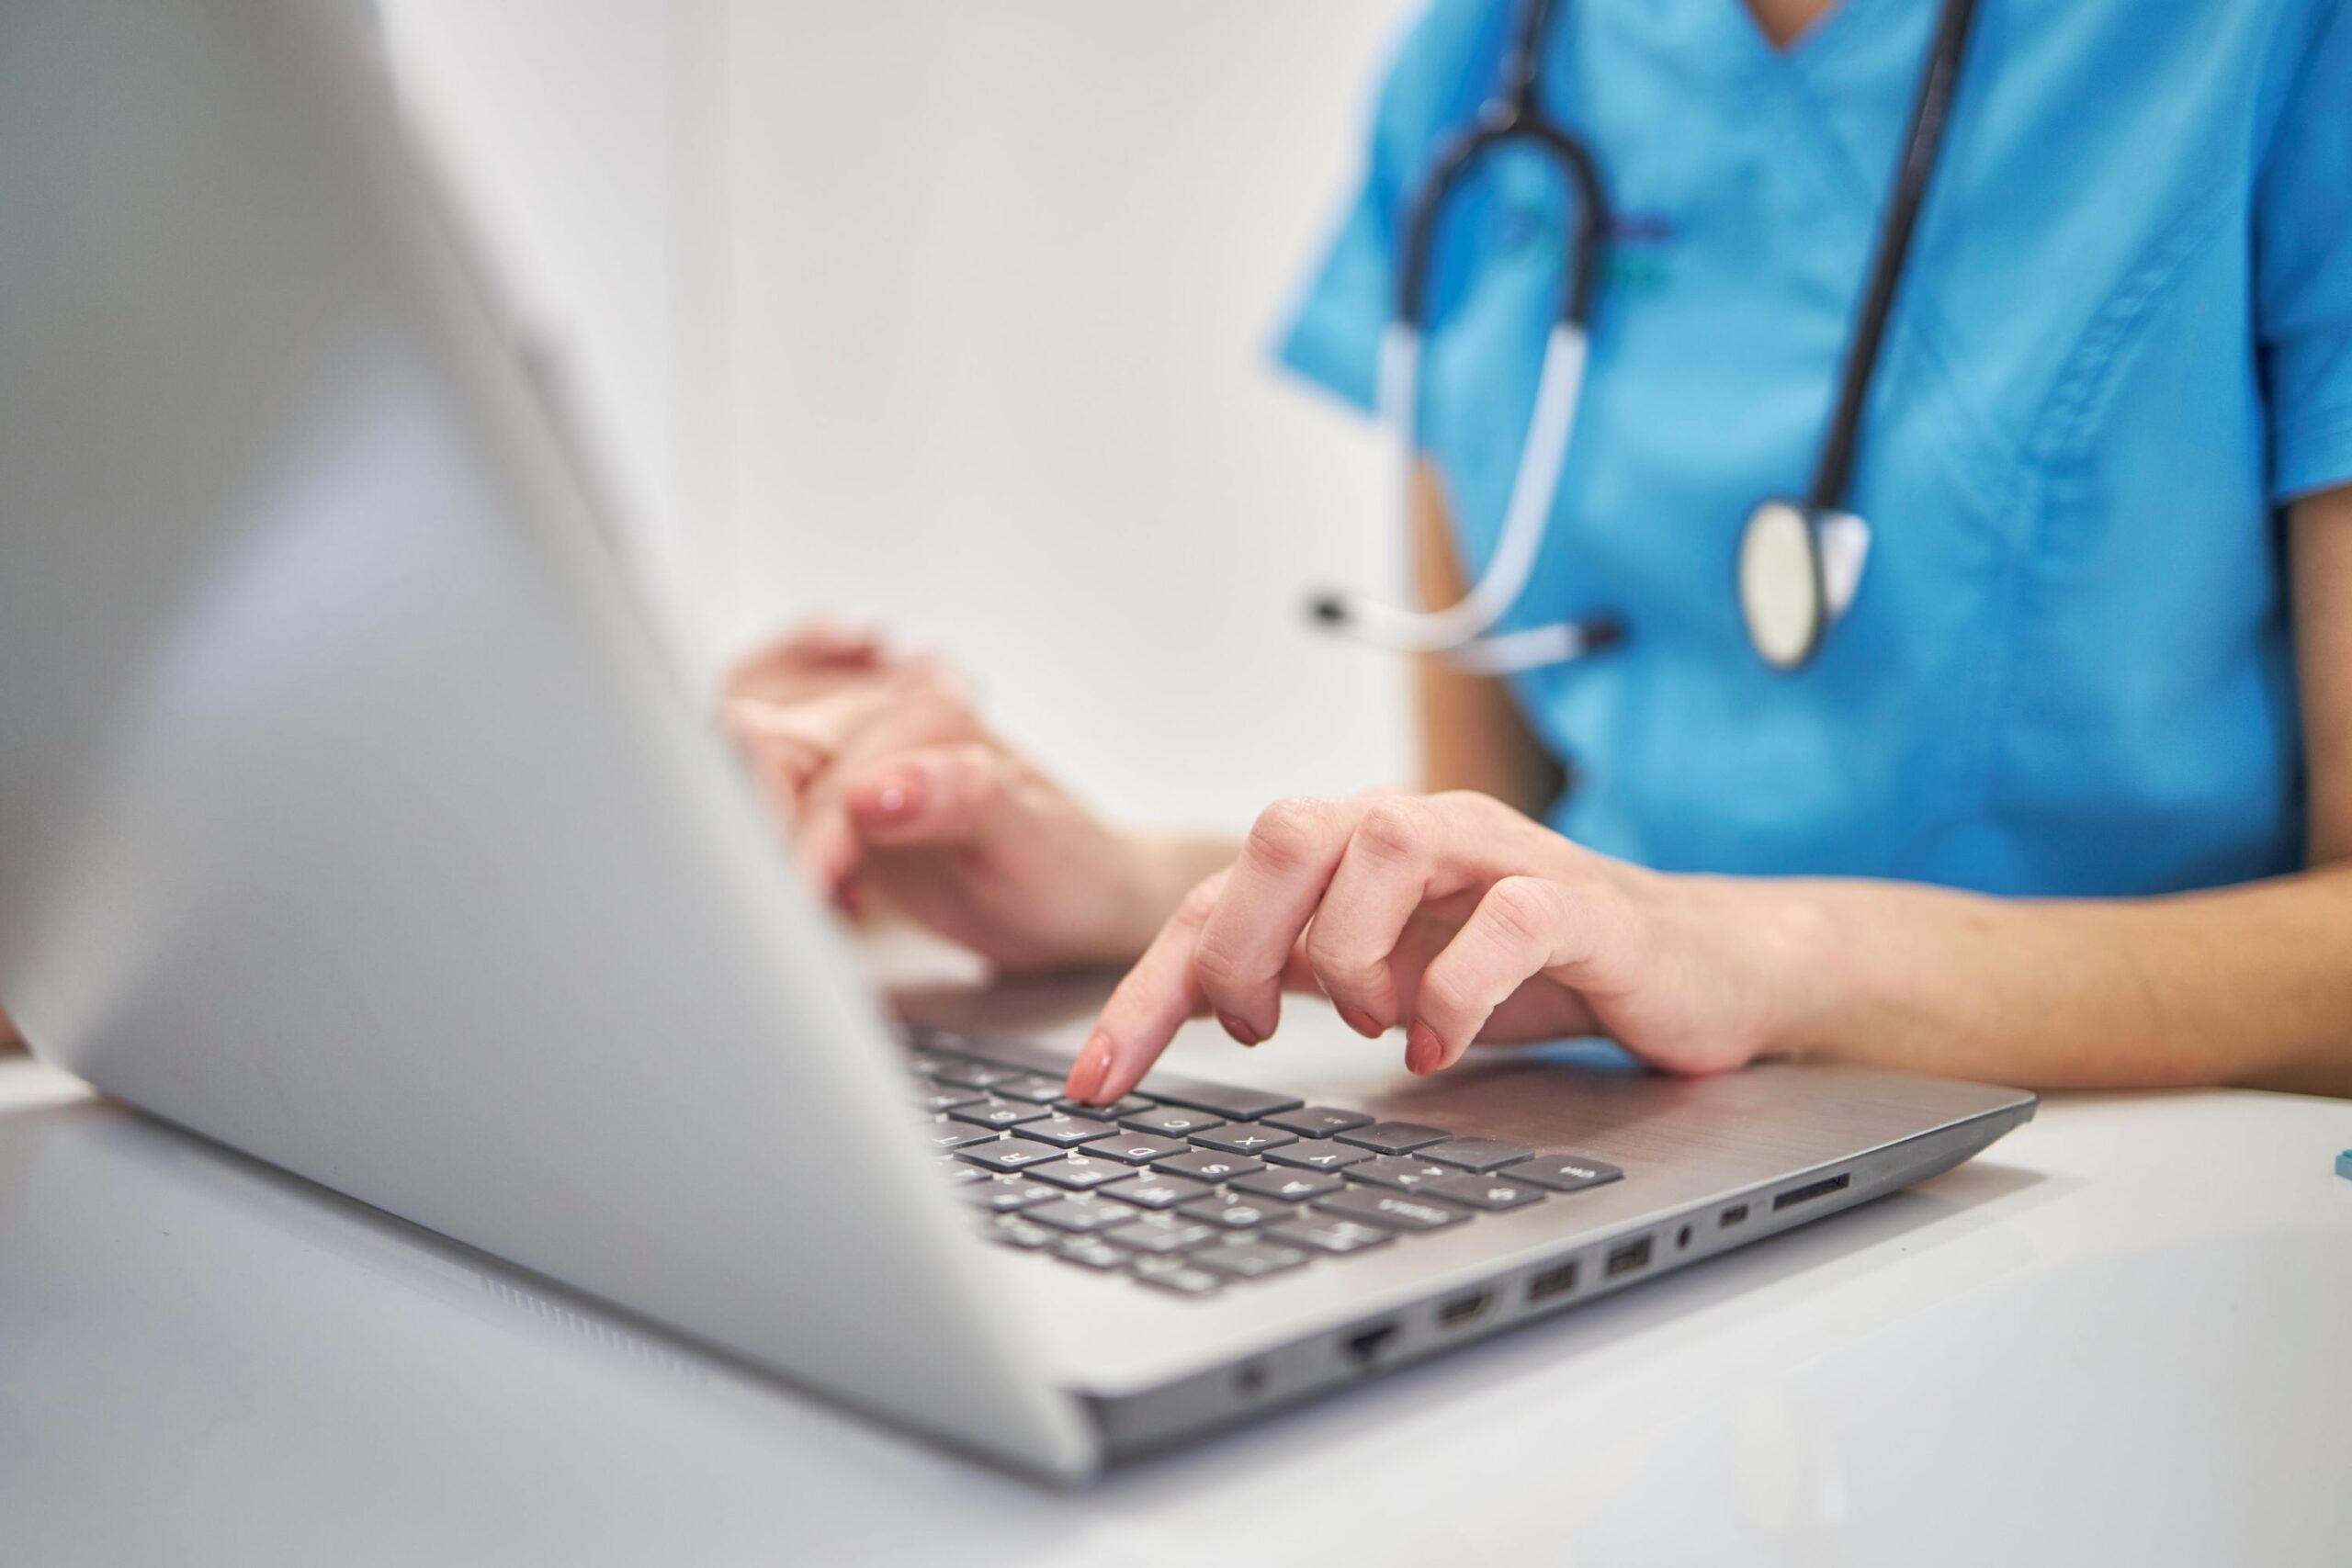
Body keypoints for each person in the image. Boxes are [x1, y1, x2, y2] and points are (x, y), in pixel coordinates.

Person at [725, 0, 2352, 1106]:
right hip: (1621, 1144)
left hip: (2132, 1183)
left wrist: (1768, 961)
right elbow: (1503, 863)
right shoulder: (1488, 57)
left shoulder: (2273, 45)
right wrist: (1136, 890)